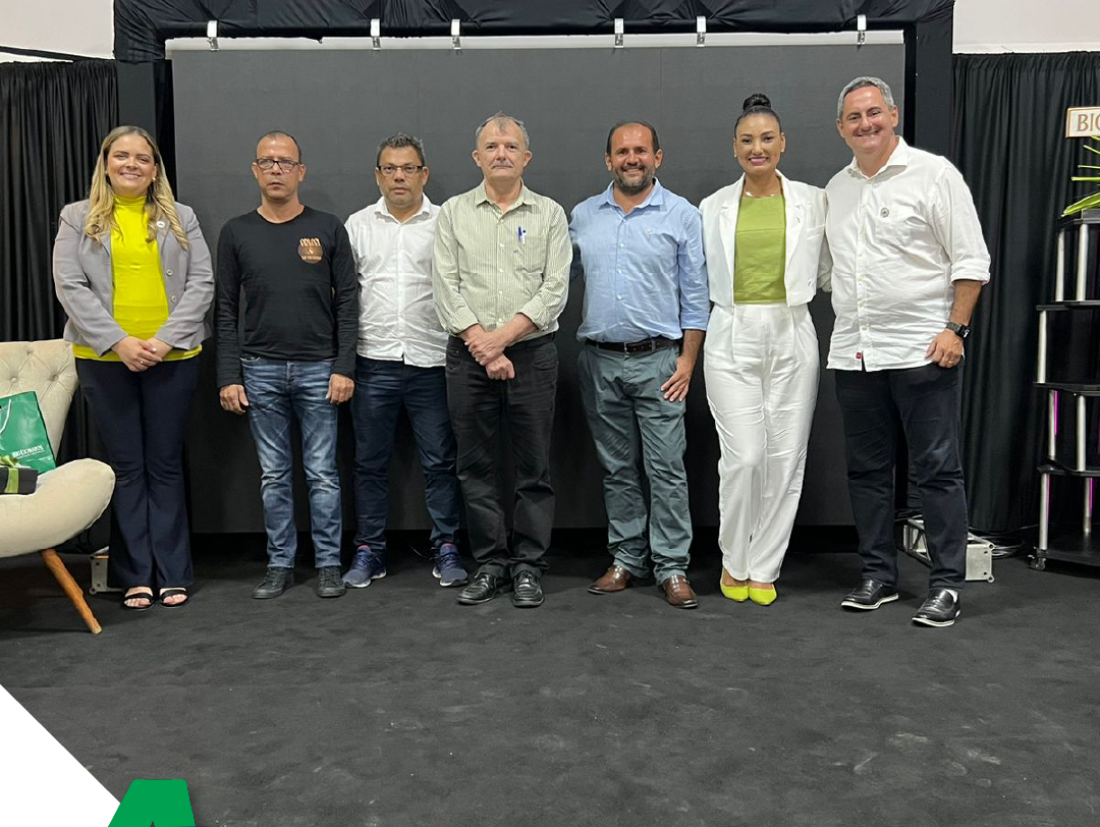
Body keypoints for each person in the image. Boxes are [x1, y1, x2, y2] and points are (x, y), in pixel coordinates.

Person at [826, 77, 990, 627]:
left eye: (874, 112)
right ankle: (878, 575)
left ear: (893, 116)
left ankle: (946, 585)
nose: (866, 124)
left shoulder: (934, 175)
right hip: (857, 355)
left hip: (923, 351)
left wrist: (956, 329)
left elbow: (971, 261)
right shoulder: (837, 189)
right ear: (841, 128)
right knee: (867, 473)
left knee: (937, 471)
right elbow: (831, 271)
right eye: (854, 117)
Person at [53, 125, 214, 610]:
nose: (132, 164)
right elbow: (69, 285)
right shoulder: (77, 217)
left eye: (143, 158)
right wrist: (119, 342)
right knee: (126, 467)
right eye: (121, 156)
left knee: (164, 465)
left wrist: (163, 341)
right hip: (104, 359)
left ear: (155, 169)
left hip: (174, 357)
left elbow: (202, 283)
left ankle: (172, 573)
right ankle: (135, 575)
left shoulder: (181, 217)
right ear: (106, 164)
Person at [432, 113, 571, 608]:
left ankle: (529, 565)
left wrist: (502, 341)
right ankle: (491, 563)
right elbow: (445, 286)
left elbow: (555, 289)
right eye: (491, 146)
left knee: (533, 467)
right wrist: (482, 345)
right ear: (477, 158)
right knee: (476, 467)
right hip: (468, 357)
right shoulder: (453, 213)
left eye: (510, 146)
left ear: (526, 157)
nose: (501, 153)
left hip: (532, 355)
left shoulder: (549, 214)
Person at [570, 121, 709, 609]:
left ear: (658, 157)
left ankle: (672, 566)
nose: (632, 158)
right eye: (623, 151)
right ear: (608, 160)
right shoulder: (583, 216)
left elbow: (696, 295)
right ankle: (627, 558)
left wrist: (688, 361)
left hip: (661, 363)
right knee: (617, 469)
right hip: (600, 363)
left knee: (666, 468)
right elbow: (555, 280)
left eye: (641, 150)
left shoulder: (682, 215)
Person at [699, 94, 830, 607]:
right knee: (746, 457)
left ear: (783, 143)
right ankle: (734, 559)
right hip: (731, 330)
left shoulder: (814, 202)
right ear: (734, 148)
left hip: (792, 328)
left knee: (785, 458)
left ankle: (765, 565)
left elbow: (829, 270)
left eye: (767, 139)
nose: (758, 148)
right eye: (748, 140)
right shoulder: (711, 207)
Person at [216, 130, 358, 600]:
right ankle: (280, 563)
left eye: (285, 162)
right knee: (274, 475)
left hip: (320, 368)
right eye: (267, 162)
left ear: (301, 171)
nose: (276, 169)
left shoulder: (328, 228)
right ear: (255, 170)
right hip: (260, 369)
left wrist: (344, 366)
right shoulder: (236, 232)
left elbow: (348, 303)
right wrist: (228, 375)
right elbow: (225, 309)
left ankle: (329, 563)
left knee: (322, 473)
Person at [342, 133, 466, 589]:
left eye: (408, 168)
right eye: (390, 169)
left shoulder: (446, 222)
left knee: (440, 463)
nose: (399, 177)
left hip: (432, 361)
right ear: (378, 175)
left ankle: (446, 545)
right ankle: (369, 549)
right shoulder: (357, 226)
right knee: (368, 464)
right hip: (373, 362)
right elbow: (344, 297)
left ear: (424, 174)